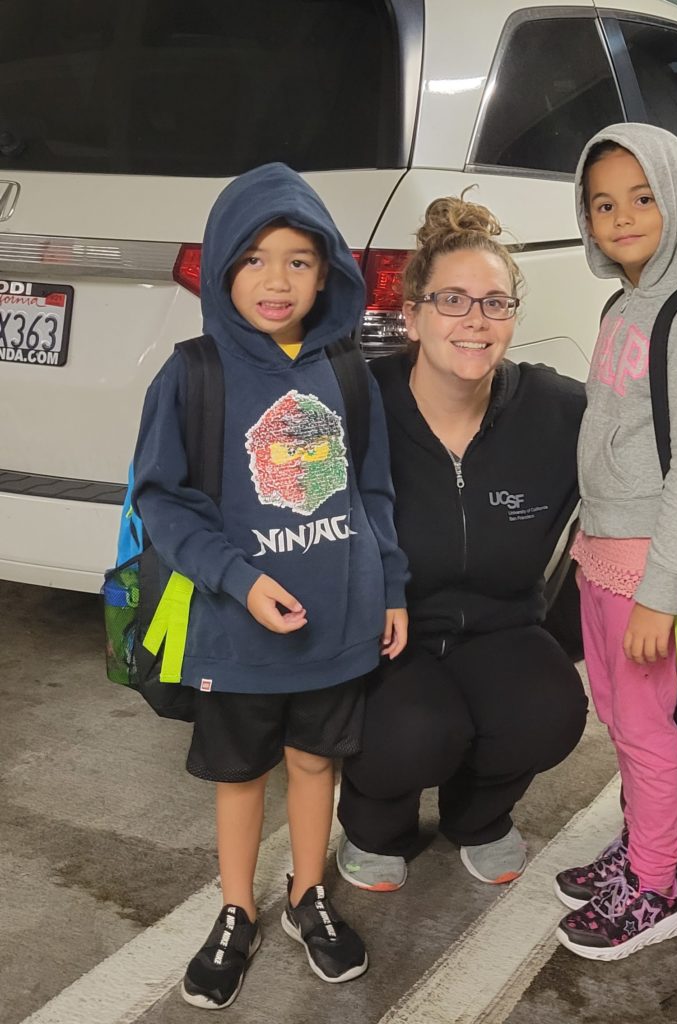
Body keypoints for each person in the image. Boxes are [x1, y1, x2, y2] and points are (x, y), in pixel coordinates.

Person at [131, 163, 409, 1010]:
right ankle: (236, 908)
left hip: (338, 625)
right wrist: (239, 582)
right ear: (219, 269)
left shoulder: (349, 374)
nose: (276, 279)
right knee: (243, 773)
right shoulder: (192, 374)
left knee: (316, 761)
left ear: (328, 271)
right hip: (237, 632)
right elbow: (162, 502)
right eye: (253, 259)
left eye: (298, 258)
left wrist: (389, 585)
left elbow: (374, 493)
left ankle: (307, 893)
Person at [334, 195, 590, 890]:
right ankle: (373, 824)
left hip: (501, 624)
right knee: (416, 732)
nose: (475, 321)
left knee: (553, 710)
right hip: (387, 636)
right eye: (452, 300)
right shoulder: (354, 402)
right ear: (411, 316)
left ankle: (478, 817)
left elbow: (657, 429)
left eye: (495, 303)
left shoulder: (559, 411)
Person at [554, 123, 677, 961]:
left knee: (644, 727)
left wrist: (658, 591)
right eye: (604, 203)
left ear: (676, 199)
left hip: (648, 567)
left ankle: (655, 884)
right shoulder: (621, 304)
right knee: (619, 716)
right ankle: (644, 845)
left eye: (643, 197)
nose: (624, 216)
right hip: (603, 550)